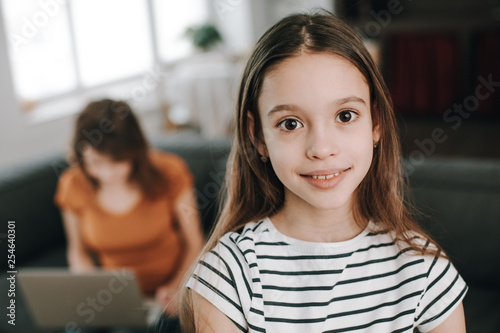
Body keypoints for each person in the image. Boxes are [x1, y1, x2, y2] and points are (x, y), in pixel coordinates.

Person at [180, 11, 468, 333]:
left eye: (345, 116)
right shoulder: (226, 275)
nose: (321, 147)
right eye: (290, 124)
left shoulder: (426, 271)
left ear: (375, 122)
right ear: (258, 137)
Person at [55, 99, 204, 331]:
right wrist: (85, 282)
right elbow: (77, 251)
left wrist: (177, 284)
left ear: (135, 152)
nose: (106, 173)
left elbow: (195, 242)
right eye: (95, 162)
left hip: (172, 293)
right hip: (115, 300)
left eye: (116, 162)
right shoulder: (72, 184)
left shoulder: (170, 171)